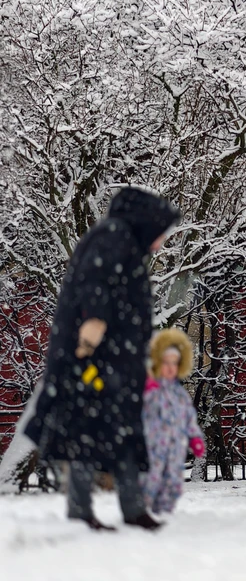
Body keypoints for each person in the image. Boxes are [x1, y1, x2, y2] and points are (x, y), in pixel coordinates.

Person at [24, 187, 181, 531]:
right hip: (95, 357)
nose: (161, 242)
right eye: (160, 233)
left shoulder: (122, 240)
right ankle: (84, 511)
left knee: (120, 430)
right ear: (146, 223)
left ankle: (132, 508)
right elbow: (95, 283)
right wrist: (93, 327)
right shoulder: (113, 237)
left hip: (115, 359)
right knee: (88, 431)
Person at [141, 328, 205, 515]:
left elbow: (188, 419)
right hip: (152, 449)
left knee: (173, 484)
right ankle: (145, 512)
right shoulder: (150, 390)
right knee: (151, 481)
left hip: (175, 449)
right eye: (165, 363)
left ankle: (165, 514)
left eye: (174, 363)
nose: (170, 368)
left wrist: (195, 439)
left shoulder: (180, 394)